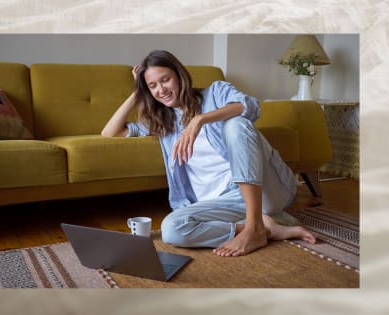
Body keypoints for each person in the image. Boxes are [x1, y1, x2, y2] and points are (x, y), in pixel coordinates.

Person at [101, 50, 316, 256]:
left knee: (236, 124)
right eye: (153, 86)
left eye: (165, 80)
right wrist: (138, 91)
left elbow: (250, 106)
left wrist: (199, 120)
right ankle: (262, 226)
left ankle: (255, 225)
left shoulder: (215, 92)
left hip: (266, 189)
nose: (161, 90)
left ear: (179, 74)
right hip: (223, 201)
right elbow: (110, 133)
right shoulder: (162, 122)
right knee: (171, 229)